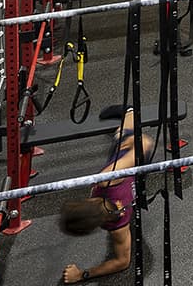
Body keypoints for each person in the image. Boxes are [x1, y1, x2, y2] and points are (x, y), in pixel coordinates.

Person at [58, 108, 156, 283]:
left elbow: (122, 262)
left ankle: (128, 112)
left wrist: (82, 274)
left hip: (124, 162)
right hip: (135, 168)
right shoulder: (108, 180)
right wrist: (136, 143)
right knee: (123, 138)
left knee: (122, 136)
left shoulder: (117, 225)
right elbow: (146, 143)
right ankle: (128, 119)